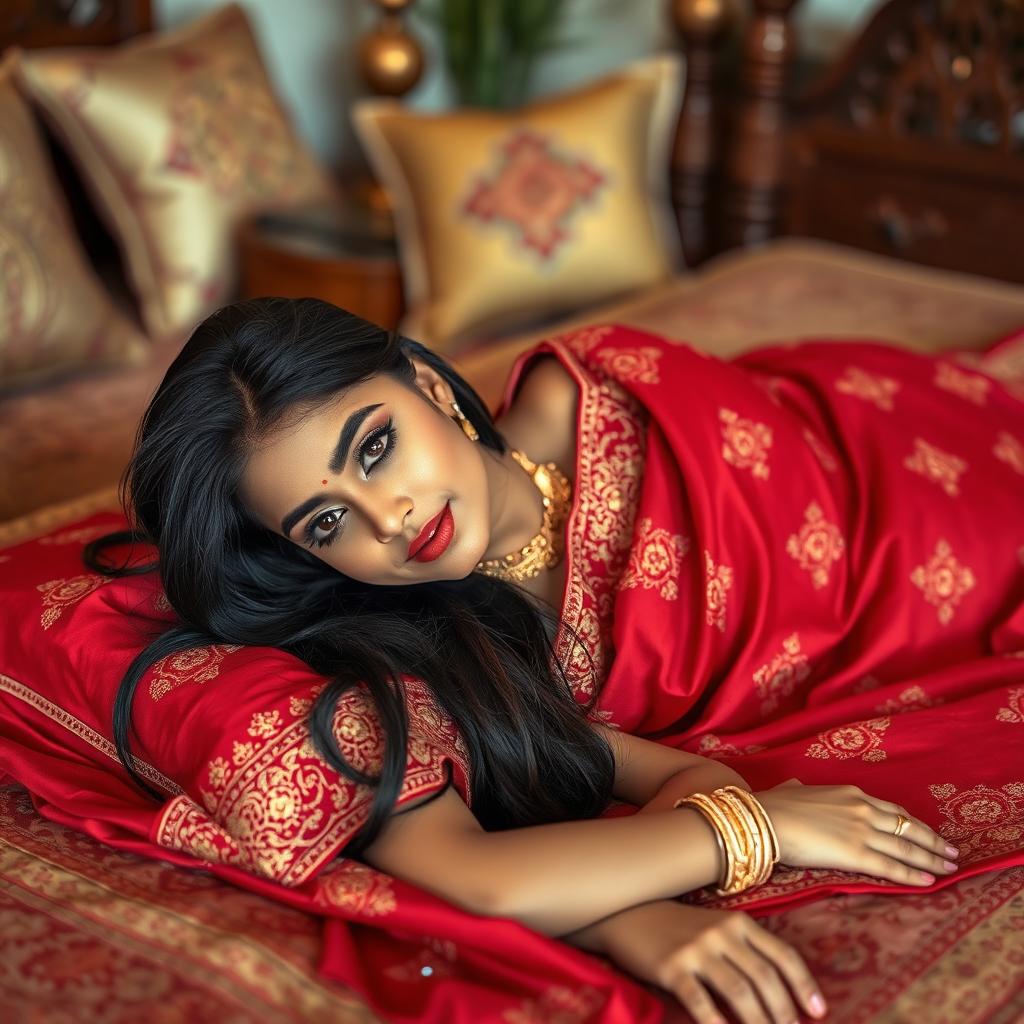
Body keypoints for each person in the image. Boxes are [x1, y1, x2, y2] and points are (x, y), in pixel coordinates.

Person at [84, 297, 1024, 1024]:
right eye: (327, 523)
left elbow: (764, 447)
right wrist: (650, 903)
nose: (391, 519)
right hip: (904, 612)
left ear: (430, 384)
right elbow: (475, 868)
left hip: (877, 462)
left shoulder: (584, 394)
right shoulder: (433, 659)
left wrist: (719, 839)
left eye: (376, 448)